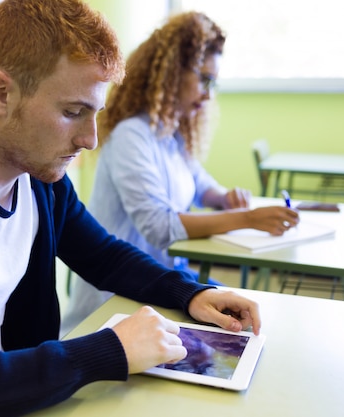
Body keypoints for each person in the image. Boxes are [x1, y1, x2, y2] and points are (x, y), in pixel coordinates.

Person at [0, 1, 262, 416]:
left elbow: (104, 255)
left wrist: (191, 291)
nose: (90, 139)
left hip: (13, 400)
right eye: (73, 111)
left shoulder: (38, 178)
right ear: (0, 93)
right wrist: (108, 350)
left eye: (95, 113)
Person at [63, 11, 298, 334]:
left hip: (161, 284)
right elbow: (161, 226)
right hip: (117, 300)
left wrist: (227, 198)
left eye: (213, 82)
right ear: (172, 74)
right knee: (237, 323)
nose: (207, 92)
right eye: (203, 78)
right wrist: (247, 218)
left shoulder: (171, 135)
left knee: (250, 312)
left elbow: (203, 188)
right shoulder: (131, 135)